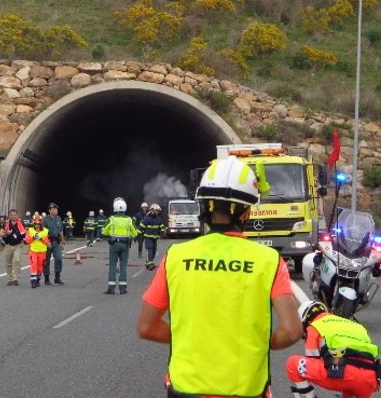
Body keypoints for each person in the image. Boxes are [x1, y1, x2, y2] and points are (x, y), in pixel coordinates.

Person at [137, 156, 301, 397]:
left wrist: (196, 336)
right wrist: (252, 343)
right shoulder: (268, 260)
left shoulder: (177, 256)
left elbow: (146, 327)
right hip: (246, 390)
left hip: (186, 389)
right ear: (246, 212)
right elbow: (291, 331)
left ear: (204, 207)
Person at [286, 300, 380, 398]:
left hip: (345, 373)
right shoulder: (354, 325)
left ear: (305, 320)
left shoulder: (314, 326)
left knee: (292, 364)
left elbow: (312, 359)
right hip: (370, 377)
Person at [101, 197, 138, 295]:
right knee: (123, 266)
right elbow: (135, 233)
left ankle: (111, 288)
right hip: (125, 245)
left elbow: (103, 231)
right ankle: (122, 288)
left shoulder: (111, 219)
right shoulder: (129, 220)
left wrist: (110, 233)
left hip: (114, 245)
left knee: (112, 266)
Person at [0, 209, 26, 286]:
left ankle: (15, 278)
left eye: (15, 215)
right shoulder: (6, 223)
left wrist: (26, 240)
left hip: (18, 245)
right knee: (8, 263)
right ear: (9, 215)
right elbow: (1, 233)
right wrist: (5, 233)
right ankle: (10, 278)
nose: (13, 216)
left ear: (17, 215)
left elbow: (24, 233)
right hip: (8, 245)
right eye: (12, 215)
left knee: (17, 260)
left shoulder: (21, 223)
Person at [25, 212, 50, 288]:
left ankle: (38, 280)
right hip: (33, 251)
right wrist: (33, 238)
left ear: (41, 224)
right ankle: (33, 282)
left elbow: (48, 243)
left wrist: (41, 238)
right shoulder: (30, 230)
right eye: (35, 224)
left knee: (39, 268)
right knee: (34, 265)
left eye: (38, 224)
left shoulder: (45, 231)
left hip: (42, 252)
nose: (37, 225)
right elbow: (26, 241)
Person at [43, 202, 65, 285]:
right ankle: (46, 278)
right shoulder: (45, 219)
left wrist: (62, 240)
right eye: (54, 209)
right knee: (46, 261)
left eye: (56, 209)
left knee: (59, 258)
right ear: (50, 210)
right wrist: (46, 242)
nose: (56, 210)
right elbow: (43, 232)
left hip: (57, 242)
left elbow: (61, 230)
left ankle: (57, 277)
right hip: (48, 242)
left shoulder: (59, 218)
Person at [140, 203, 164, 270]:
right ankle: (151, 264)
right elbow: (141, 227)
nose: (158, 212)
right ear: (152, 210)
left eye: (158, 211)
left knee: (154, 250)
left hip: (155, 238)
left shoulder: (159, 219)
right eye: (157, 210)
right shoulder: (147, 219)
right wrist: (138, 235)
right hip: (148, 238)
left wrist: (162, 232)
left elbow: (161, 226)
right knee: (149, 249)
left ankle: (148, 263)